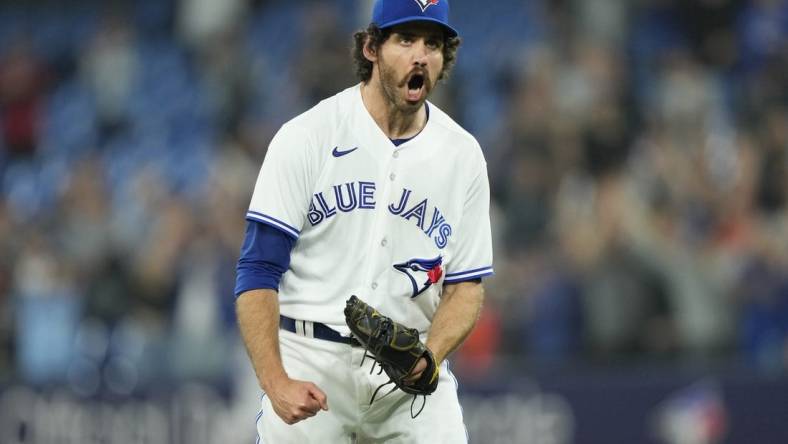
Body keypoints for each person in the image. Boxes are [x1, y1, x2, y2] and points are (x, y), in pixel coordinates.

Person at [234, 0, 493, 442]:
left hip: (409, 382)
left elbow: (466, 287)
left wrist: (428, 359)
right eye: (405, 39)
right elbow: (258, 271)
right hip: (311, 358)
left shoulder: (463, 155)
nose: (420, 55)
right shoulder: (308, 136)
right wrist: (276, 382)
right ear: (371, 46)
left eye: (432, 44)